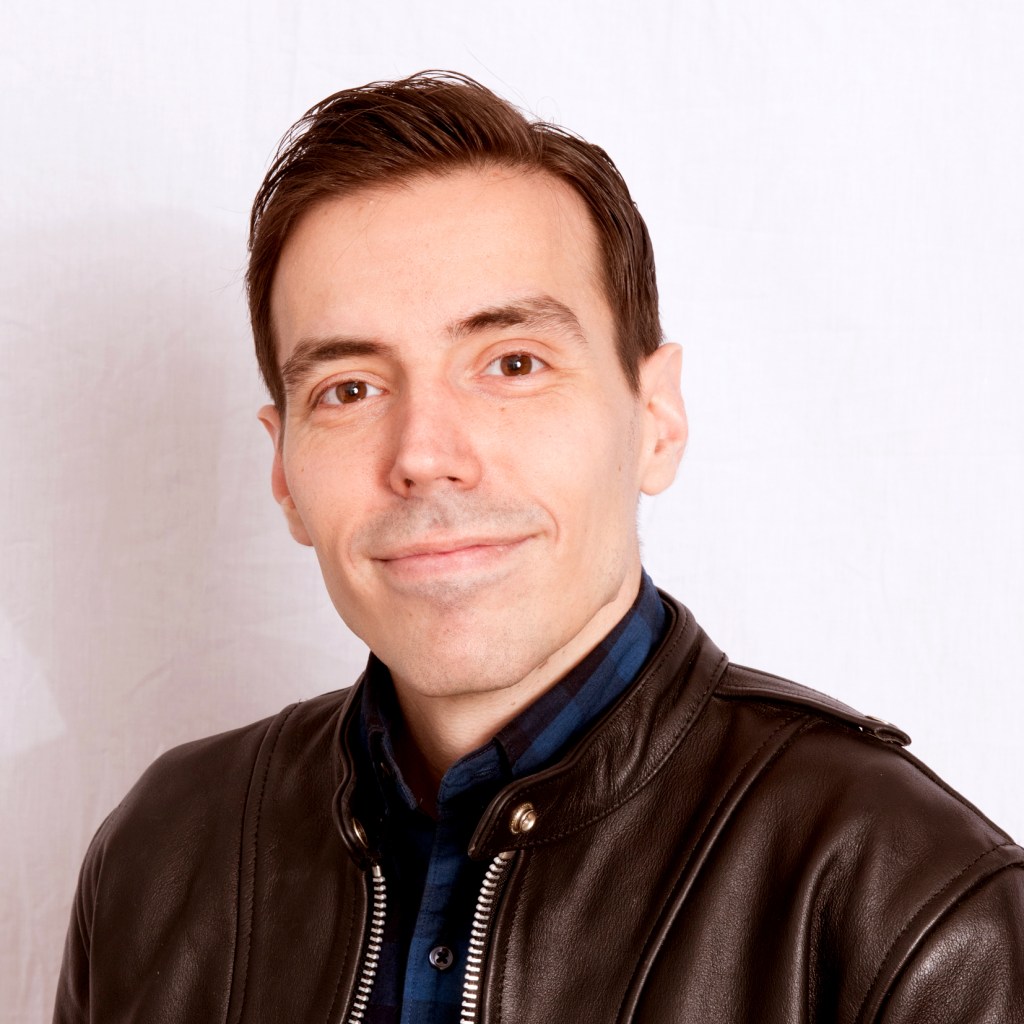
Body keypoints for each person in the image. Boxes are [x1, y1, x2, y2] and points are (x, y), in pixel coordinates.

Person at [54, 71, 1023, 1024]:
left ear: (655, 419)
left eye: (512, 364)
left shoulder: (914, 906)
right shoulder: (161, 855)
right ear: (284, 471)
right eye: (349, 389)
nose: (425, 455)